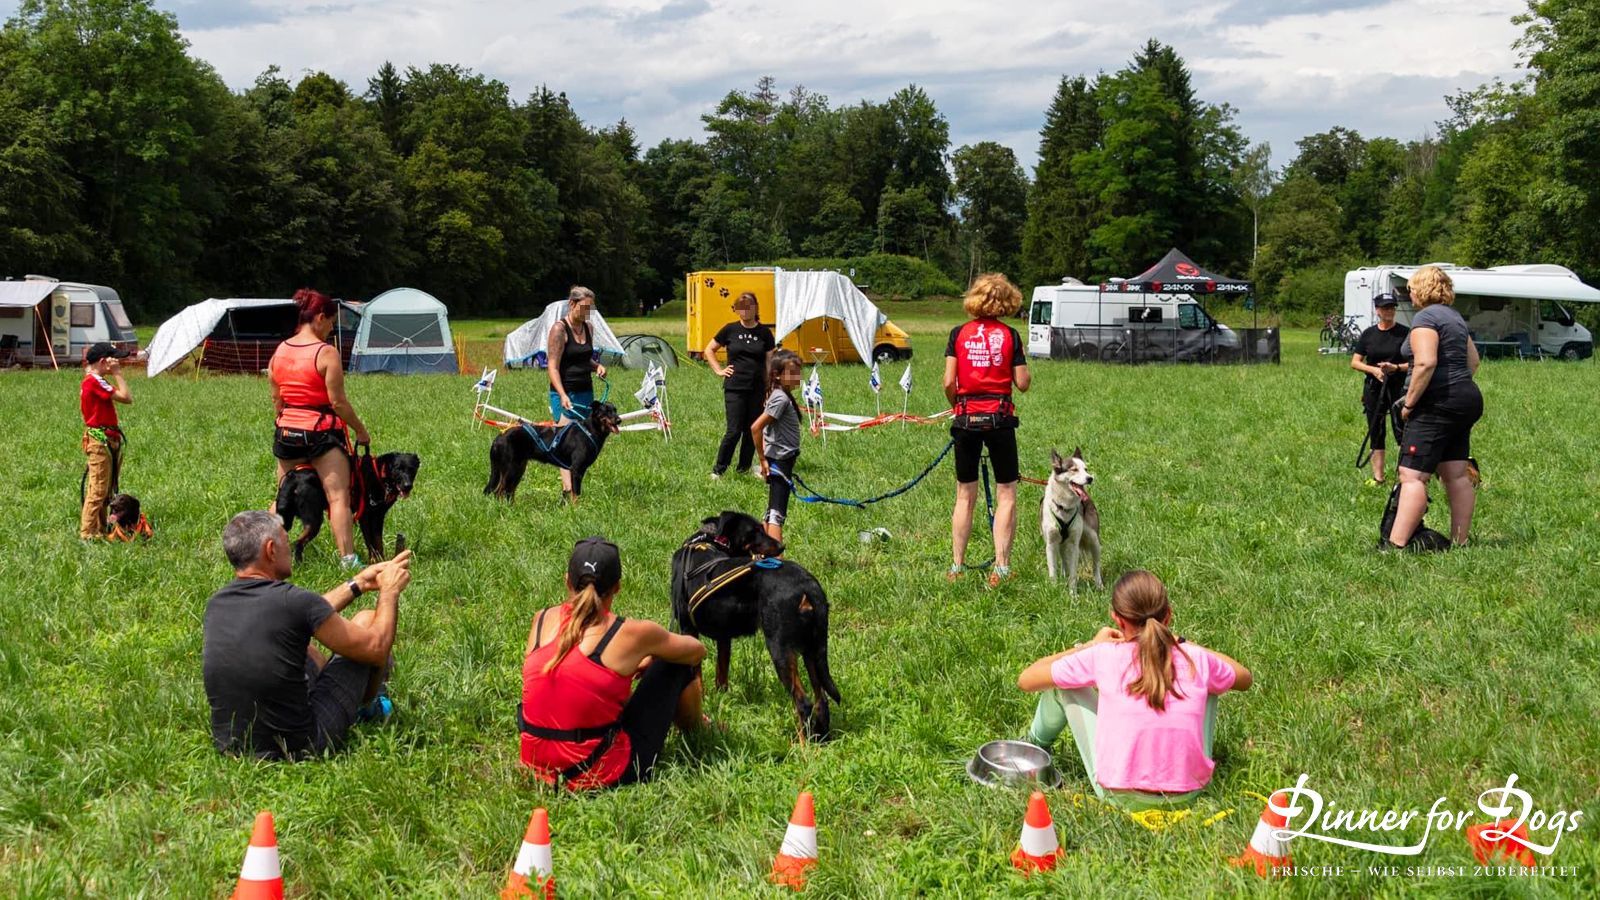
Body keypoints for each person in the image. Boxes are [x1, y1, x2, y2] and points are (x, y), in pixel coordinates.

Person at [1016, 570, 1252, 810]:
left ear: (1117, 619)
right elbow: (1244, 678)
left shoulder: (1103, 655)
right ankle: (1187, 767)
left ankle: (1032, 748)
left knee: (1062, 687)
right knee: (1211, 679)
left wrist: (1087, 646)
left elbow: (1026, 679)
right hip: (1190, 793)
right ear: (1168, 617)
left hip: (1121, 796)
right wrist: (1181, 643)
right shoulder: (1196, 659)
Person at [203, 510, 412, 760]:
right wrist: (389, 592)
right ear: (270, 550)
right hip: (300, 745)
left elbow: (299, 617)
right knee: (367, 622)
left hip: (234, 745)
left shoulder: (217, 603)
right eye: (284, 540)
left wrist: (358, 584)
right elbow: (376, 648)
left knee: (300, 645)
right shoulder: (293, 601)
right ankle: (368, 706)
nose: (289, 548)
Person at [519, 537, 707, 790]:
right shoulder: (632, 633)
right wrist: (651, 656)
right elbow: (696, 651)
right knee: (675, 661)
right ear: (617, 587)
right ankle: (698, 730)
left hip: (536, 767)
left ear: (567, 580)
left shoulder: (541, 619)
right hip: (597, 772)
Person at [269, 288, 371, 567]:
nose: (331, 328)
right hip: (320, 433)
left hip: (287, 432)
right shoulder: (326, 353)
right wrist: (361, 430)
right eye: (331, 322)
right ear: (320, 318)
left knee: (282, 497)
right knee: (338, 497)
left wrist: (286, 418)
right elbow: (338, 402)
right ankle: (348, 561)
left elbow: (277, 398)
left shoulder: (280, 351)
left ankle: (264, 553)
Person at [944, 273, 1031, 587]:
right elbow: (1022, 384)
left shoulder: (958, 333)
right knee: (1006, 493)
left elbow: (947, 382)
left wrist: (957, 406)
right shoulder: (1011, 335)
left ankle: (957, 566)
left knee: (964, 496)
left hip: (966, 419)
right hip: (1000, 420)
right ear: (1007, 301)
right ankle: (1002, 568)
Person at [1387, 265, 1483, 550]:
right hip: (1467, 399)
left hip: (1437, 403)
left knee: (1412, 475)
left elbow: (1426, 362)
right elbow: (1474, 362)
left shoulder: (1426, 318)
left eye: (1412, 288)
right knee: (1455, 473)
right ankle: (1460, 541)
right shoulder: (1455, 318)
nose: (1410, 294)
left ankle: (1396, 545)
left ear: (1422, 289)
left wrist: (1411, 403)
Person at [546, 286, 609, 500]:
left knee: (584, 444)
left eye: (591, 308)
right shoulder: (559, 329)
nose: (588, 312)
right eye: (585, 307)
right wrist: (562, 395)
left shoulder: (588, 328)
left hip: (586, 394)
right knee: (566, 445)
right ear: (572, 304)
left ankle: (575, 489)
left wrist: (596, 367)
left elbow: (583, 358)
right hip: (565, 395)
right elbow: (553, 367)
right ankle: (568, 493)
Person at [705, 291, 775, 480]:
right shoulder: (729, 329)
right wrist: (719, 370)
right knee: (734, 430)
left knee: (752, 429)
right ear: (736, 310)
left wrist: (771, 386)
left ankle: (743, 468)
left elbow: (770, 361)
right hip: (735, 387)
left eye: (749, 307)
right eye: (741, 307)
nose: (745, 311)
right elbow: (709, 350)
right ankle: (718, 470)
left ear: (756, 308)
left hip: (758, 388)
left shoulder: (765, 333)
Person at [1349, 293, 1411, 486]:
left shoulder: (1406, 333)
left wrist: (1396, 368)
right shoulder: (1368, 334)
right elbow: (1355, 362)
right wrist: (1374, 370)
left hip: (1399, 388)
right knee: (1376, 430)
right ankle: (1378, 477)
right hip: (1374, 388)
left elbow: (1417, 363)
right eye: (1385, 308)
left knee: (1402, 430)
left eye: (1392, 307)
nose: (1389, 311)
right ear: (1377, 310)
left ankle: (1405, 477)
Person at [79, 342, 133, 539]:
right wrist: (117, 373)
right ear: (103, 361)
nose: (116, 362)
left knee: (105, 489)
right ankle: (87, 533)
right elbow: (127, 397)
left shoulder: (93, 381)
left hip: (106, 438)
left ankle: (101, 529)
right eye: (112, 360)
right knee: (99, 489)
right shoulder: (95, 380)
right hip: (100, 441)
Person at [752, 350, 805, 543]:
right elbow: (756, 428)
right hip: (779, 460)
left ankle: (761, 550)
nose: (797, 377)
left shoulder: (781, 394)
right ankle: (775, 561)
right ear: (776, 374)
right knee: (777, 512)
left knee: (773, 508)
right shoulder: (780, 398)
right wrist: (763, 460)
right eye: (792, 373)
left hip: (783, 459)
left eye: (799, 372)